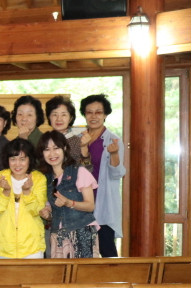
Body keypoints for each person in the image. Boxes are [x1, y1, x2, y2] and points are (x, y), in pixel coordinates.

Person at [37, 131, 99, 259]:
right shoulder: (46, 178)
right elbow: (54, 214)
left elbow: (90, 206)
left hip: (82, 231)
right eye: (47, 149)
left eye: (56, 148)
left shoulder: (78, 170)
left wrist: (69, 203)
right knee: (61, 272)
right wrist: (47, 215)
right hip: (57, 235)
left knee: (84, 271)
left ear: (64, 148)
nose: (52, 154)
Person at [78, 94, 125, 257]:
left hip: (103, 201)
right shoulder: (76, 138)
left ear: (105, 115)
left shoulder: (113, 140)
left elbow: (116, 174)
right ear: (84, 114)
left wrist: (114, 154)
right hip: (80, 201)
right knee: (81, 252)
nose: (94, 116)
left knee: (107, 251)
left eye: (98, 112)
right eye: (89, 112)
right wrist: (82, 148)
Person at [0, 138, 48, 259]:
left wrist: (27, 192)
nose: (17, 164)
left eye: (22, 159)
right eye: (13, 159)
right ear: (7, 160)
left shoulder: (39, 178)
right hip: (4, 247)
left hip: (32, 247)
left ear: (29, 159)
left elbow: (37, 210)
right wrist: (6, 191)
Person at [45, 95, 89, 166]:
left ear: (70, 118)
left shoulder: (77, 141)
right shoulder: (44, 140)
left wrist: (84, 148)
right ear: (49, 117)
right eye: (55, 114)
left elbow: (88, 168)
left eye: (63, 115)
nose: (59, 119)